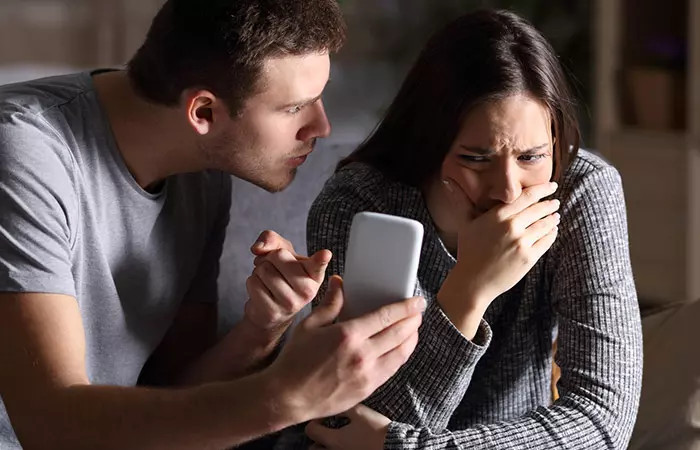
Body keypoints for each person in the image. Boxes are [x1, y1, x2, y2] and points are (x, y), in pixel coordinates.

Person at [0, 1, 425, 448]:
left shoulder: (203, 169)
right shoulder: (23, 156)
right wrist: (290, 396)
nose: (321, 126)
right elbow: (48, 425)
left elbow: (174, 391)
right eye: (295, 107)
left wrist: (263, 327)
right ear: (202, 112)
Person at [299, 8, 643, 450]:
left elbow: (602, 419)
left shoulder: (579, 192)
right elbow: (347, 428)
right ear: (429, 143)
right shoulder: (359, 205)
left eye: (531, 157)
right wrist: (469, 290)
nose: (507, 190)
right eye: (476, 159)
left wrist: (411, 448)